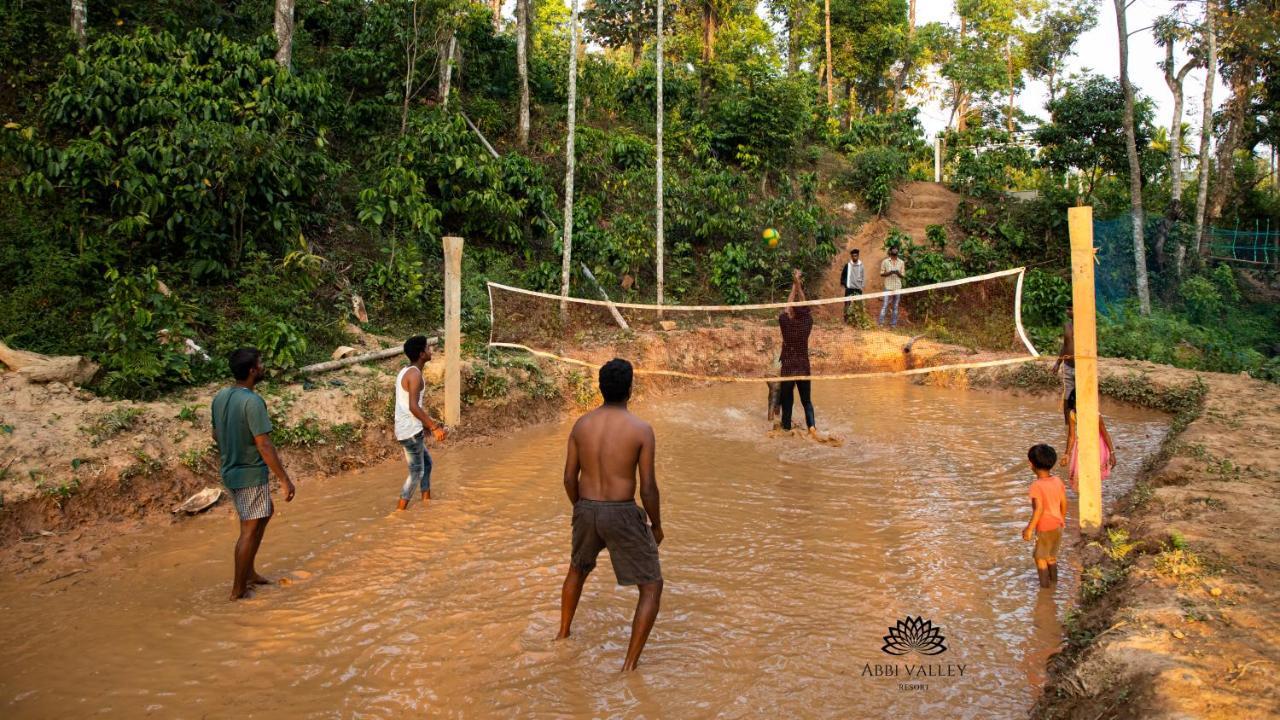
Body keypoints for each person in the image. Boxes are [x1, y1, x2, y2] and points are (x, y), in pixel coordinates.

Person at [555, 358, 663, 672]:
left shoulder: (581, 425)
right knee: (651, 586)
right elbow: (648, 489)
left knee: (577, 569)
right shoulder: (641, 430)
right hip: (622, 511)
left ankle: (562, 635)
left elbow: (567, 478)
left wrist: (581, 509)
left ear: (601, 388)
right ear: (630, 388)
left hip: (586, 508)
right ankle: (628, 667)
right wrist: (656, 525)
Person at [210, 348, 296, 601]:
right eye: (261, 364)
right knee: (248, 529)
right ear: (252, 371)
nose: (263, 367)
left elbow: (215, 434)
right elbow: (264, 445)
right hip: (248, 473)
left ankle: (250, 573)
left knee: (264, 512)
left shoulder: (221, 397)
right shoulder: (253, 401)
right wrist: (284, 479)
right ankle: (238, 590)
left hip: (231, 469)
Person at [394, 335, 447, 510]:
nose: (430, 351)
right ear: (421, 353)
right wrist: (434, 427)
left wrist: (427, 423)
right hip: (410, 431)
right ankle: (399, 512)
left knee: (428, 464)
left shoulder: (406, 371)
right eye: (427, 348)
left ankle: (426, 501)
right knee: (416, 472)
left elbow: (409, 406)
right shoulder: (415, 375)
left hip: (407, 428)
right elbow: (413, 407)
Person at [1021, 444, 1068, 589]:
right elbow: (1063, 502)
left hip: (1044, 527)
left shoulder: (1036, 486)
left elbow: (1039, 509)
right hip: (1058, 524)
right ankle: (1054, 583)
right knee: (1051, 557)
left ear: (1031, 464)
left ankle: (1045, 591)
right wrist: (1062, 519)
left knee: (1040, 559)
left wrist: (1029, 528)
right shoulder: (1058, 481)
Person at [778, 269, 818, 436]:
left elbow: (787, 308)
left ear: (791, 314)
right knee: (806, 401)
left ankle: (786, 428)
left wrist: (794, 286)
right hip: (803, 368)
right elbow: (804, 306)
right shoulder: (807, 323)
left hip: (788, 368)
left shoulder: (786, 324)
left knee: (787, 402)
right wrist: (798, 283)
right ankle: (812, 428)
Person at [1062, 390, 1117, 492]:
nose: (1077, 408)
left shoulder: (1095, 414)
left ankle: (1092, 494)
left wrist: (1112, 453)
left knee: (1093, 474)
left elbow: (1105, 434)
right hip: (1081, 446)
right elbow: (1071, 436)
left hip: (1096, 446)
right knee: (1080, 475)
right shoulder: (1073, 414)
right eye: (1075, 406)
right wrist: (1067, 454)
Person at [1050, 308, 1075, 424]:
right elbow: (1065, 346)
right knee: (1067, 396)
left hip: (1082, 367)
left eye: (1070, 308)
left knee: (1081, 396)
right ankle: (1068, 425)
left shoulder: (1086, 326)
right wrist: (1058, 362)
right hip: (1068, 365)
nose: (1067, 311)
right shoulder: (1067, 325)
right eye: (1066, 309)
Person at [878, 244, 906, 327]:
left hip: (897, 287)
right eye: (893, 249)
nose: (895, 251)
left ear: (898, 251)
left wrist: (898, 273)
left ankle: (893, 324)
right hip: (888, 286)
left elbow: (903, 275)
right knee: (885, 305)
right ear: (890, 251)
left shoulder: (901, 262)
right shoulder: (885, 262)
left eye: (896, 249)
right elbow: (881, 273)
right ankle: (881, 323)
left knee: (895, 306)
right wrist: (889, 272)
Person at [840, 248, 865, 324]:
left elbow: (863, 276)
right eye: (853, 256)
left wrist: (862, 285)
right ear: (851, 256)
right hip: (849, 288)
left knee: (858, 304)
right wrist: (845, 284)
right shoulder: (847, 265)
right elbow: (843, 275)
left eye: (856, 256)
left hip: (858, 288)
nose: (855, 257)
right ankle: (846, 319)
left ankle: (858, 319)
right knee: (847, 303)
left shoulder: (861, 265)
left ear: (858, 256)